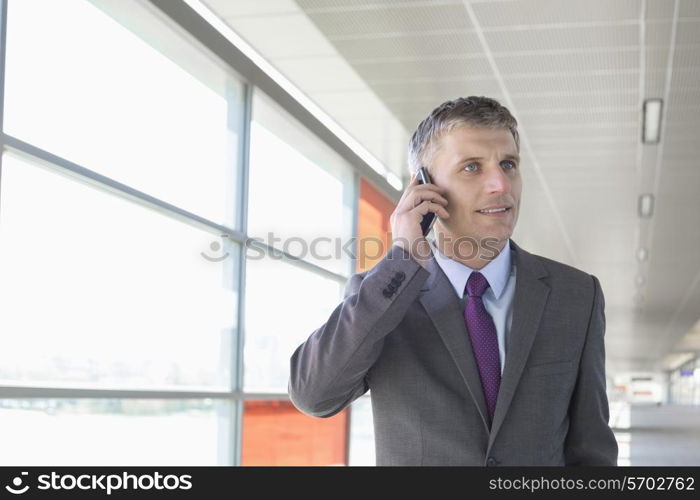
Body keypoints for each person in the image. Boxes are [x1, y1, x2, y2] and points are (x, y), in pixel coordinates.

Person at [288, 96, 618, 466]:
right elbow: (313, 395)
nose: (500, 184)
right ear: (424, 187)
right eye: (472, 167)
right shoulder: (384, 296)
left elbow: (592, 449)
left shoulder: (576, 295)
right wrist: (402, 260)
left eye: (508, 164)